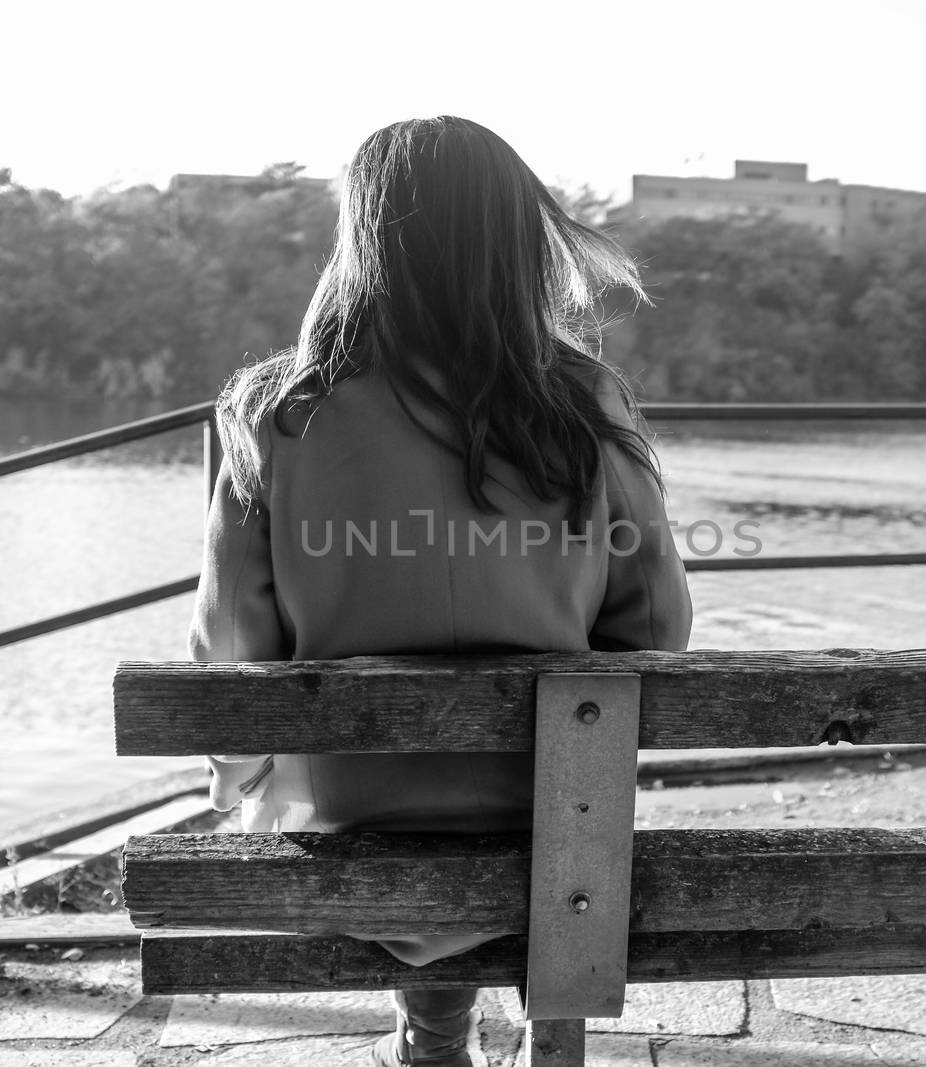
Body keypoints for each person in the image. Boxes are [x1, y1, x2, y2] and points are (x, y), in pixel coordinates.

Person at [188, 115, 692, 1067]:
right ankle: (513, 1024)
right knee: (564, 771)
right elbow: (658, 627)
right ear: (520, 246)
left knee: (308, 775)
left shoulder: (278, 416)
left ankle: (432, 1031)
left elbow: (231, 656)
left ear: (360, 244)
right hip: (557, 823)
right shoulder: (585, 403)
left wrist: (233, 775)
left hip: (355, 823)